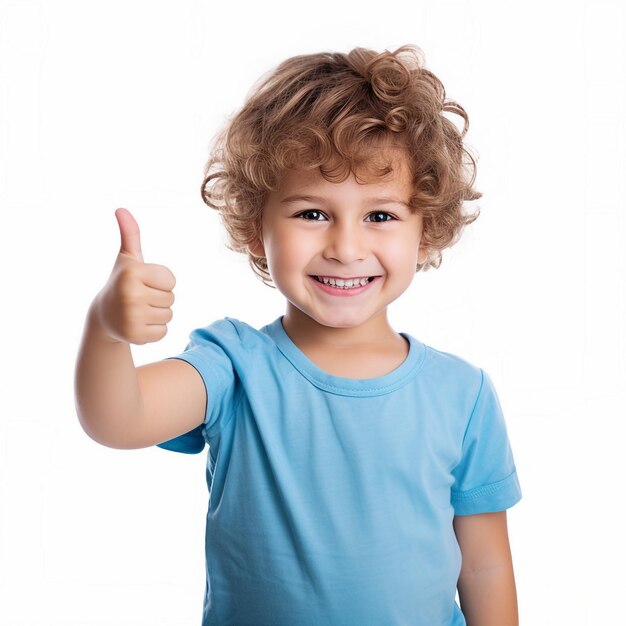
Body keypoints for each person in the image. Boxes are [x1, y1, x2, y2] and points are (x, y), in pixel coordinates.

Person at [74, 44, 522, 626]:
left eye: (380, 215)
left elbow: (486, 568)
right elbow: (117, 419)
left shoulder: (463, 394)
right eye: (312, 213)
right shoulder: (232, 366)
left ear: (427, 228)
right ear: (256, 222)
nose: (345, 247)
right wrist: (106, 330)